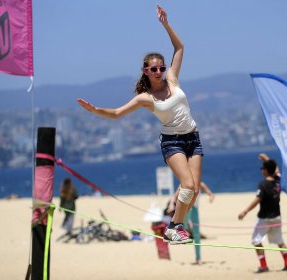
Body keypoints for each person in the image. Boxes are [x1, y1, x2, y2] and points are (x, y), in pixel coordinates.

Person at [77, 5, 203, 245]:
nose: (158, 72)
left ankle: (176, 227)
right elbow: (116, 113)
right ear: (145, 71)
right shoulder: (146, 98)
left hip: (193, 138)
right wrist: (95, 110)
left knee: (194, 191)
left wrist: (165, 24)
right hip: (172, 141)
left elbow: (180, 47)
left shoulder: (172, 80)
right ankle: (175, 226)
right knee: (186, 185)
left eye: (161, 68)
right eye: (153, 69)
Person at [238, 154, 287, 273]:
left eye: (262, 168)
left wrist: (245, 211)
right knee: (280, 241)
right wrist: (267, 159)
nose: (261, 170)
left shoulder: (263, 185)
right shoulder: (278, 180)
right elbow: (276, 170)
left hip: (265, 219)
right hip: (277, 217)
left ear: (266, 170)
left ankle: (263, 266)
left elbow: (257, 200)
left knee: (256, 241)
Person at [166, 181, 214, 264]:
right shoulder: (185, 182)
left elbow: (209, 193)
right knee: (185, 223)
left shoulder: (200, 183)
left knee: (197, 235)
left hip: (195, 209)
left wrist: (211, 196)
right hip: (186, 209)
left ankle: (198, 258)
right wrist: (171, 205)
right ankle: (184, 230)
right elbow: (175, 195)